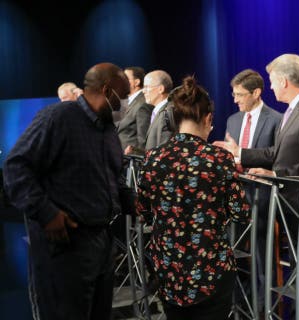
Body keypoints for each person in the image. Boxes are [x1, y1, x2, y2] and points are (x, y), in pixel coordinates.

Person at [214, 53, 299, 316]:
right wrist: (240, 154)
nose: (270, 87)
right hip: (297, 211)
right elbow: (276, 153)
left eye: (272, 81)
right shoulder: (295, 109)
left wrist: (276, 175)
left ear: (284, 81)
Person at [3, 62, 132, 320]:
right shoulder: (57, 118)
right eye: (124, 95)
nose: (125, 104)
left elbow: (112, 179)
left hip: (102, 246)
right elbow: (16, 167)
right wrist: (47, 213)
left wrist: (135, 201)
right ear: (108, 90)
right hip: (65, 249)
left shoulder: (108, 130)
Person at [136, 75, 250, 320]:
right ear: (209, 119)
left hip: (168, 271)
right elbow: (241, 212)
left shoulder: (153, 158)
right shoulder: (219, 158)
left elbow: (142, 210)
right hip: (212, 270)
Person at [225, 68, 282, 310]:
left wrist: (241, 154)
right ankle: (239, 302)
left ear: (256, 92)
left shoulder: (277, 119)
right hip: (235, 193)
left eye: (239, 94)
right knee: (233, 252)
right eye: (234, 94)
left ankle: (263, 306)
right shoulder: (233, 120)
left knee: (261, 254)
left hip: (263, 195)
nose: (235, 99)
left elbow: (275, 156)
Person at [117, 66, 154, 153]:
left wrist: (135, 154)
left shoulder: (142, 104)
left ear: (136, 82)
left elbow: (143, 140)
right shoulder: (126, 101)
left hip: (130, 160)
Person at [143, 69, 175, 150]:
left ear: (161, 89)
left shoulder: (167, 112)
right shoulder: (158, 110)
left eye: (147, 87)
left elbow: (164, 150)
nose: (143, 91)